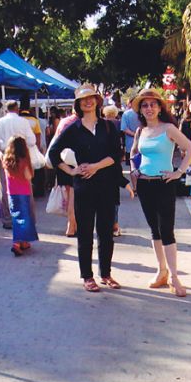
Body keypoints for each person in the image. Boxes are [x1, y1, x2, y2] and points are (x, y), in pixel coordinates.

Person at [48, 84, 123, 293]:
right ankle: (87, 276)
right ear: (78, 104)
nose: (88, 102)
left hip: (107, 186)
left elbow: (116, 156)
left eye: (91, 98)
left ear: (98, 102)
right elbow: (53, 154)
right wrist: (71, 171)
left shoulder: (108, 127)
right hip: (84, 188)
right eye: (83, 99)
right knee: (85, 233)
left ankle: (106, 273)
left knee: (106, 232)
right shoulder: (73, 129)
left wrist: (95, 166)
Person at [130, 88, 191, 297]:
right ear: (140, 109)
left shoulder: (168, 128)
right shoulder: (141, 131)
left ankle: (175, 278)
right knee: (154, 230)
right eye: (145, 105)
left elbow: (190, 149)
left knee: (166, 230)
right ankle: (162, 271)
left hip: (164, 184)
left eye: (153, 104)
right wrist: (134, 170)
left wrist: (179, 172)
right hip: (145, 184)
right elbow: (133, 153)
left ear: (160, 107)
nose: (149, 108)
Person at [0, 100, 37, 230]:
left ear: (6, 109)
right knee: (26, 187)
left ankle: (8, 219)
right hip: (22, 156)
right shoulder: (24, 122)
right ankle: (28, 218)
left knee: (6, 188)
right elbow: (32, 141)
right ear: (17, 109)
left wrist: (6, 146)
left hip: (6, 156)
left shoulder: (0, 122)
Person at [3, 135, 39, 256]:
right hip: (23, 192)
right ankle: (17, 243)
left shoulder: (6, 160)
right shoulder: (23, 160)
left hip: (11, 193)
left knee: (16, 217)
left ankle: (23, 242)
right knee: (25, 218)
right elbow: (28, 176)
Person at [103, 104, 132, 237]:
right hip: (113, 162)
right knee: (114, 199)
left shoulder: (100, 124)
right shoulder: (117, 123)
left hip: (103, 164)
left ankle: (108, 225)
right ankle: (115, 225)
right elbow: (121, 137)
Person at [53, 110, 79, 237]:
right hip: (77, 161)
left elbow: (56, 141)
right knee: (75, 195)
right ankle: (72, 224)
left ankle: (71, 224)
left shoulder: (64, 122)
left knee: (69, 194)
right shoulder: (83, 122)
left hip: (63, 160)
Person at [120, 97, 140, 165]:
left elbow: (124, 128)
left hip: (130, 145)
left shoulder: (126, 114)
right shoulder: (144, 113)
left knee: (132, 167)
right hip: (144, 143)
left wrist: (135, 135)